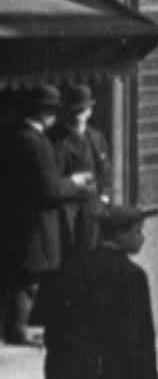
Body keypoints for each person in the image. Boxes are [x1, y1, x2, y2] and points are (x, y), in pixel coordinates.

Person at [42, 205, 158, 379]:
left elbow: (57, 329)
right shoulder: (133, 277)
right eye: (138, 231)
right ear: (120, 234)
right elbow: (142, 337)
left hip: (79, 378)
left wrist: (54, 377)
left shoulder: (75, 269)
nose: (142, 237)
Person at [10, 85, 94, 340]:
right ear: (43, 113)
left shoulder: (25, 137)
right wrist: (76, 184)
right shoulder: (34, 142)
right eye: (53, 112)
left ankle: (18, 328)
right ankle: (18, 329)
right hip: (34, 221)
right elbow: (50, 188)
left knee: (27, 277)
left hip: (28, 219)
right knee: (28, 279)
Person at [50, 83, 112, 255]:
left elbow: (105, 169)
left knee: (95, 253)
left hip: (94, 207)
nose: (79, 116)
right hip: (70, 209)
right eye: (75, 111)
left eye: (83, 111)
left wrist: (105, 198)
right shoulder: (58, 141)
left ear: (90, 112)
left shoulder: (96, 137)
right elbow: (55, 177)